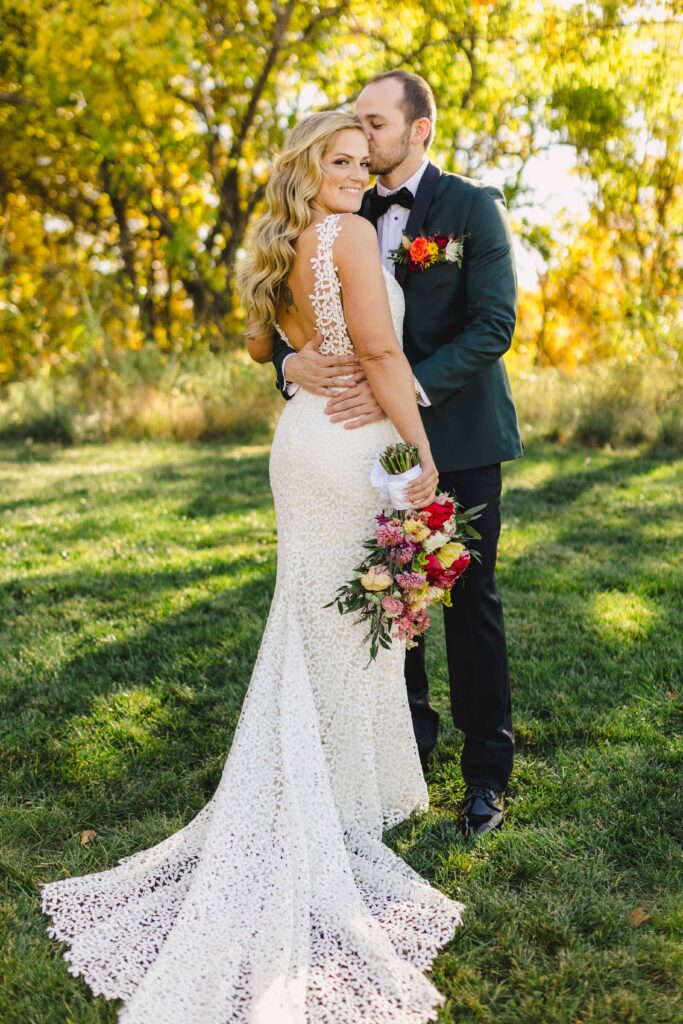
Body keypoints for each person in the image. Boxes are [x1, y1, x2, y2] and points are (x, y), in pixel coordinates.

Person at [40, 111, 465, 1024]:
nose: (356, 173)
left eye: (363, 161)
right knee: (343, 621)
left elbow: (258, 345)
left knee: (325, 618)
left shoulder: (281, 241)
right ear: (311, 166)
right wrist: (424, 451)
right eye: (340, 161)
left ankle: (335, 792)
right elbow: (383, 350)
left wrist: (293, 365)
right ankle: (327, 802)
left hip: (304, 443)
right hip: (352, 445)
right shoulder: (347, 233)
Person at [272, 71, 523, 839]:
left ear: (419, 129)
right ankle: (400, 754)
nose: (360, 137)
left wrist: (401, 390)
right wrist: (289, 366)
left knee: (466, 602)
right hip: (359, 442)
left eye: (374, 124)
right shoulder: (333, 209)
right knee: (383, 593)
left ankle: (485, 775)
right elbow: (281, 317)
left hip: (457, 432)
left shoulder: (470, 207)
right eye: (352, 128)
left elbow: (492, 325)